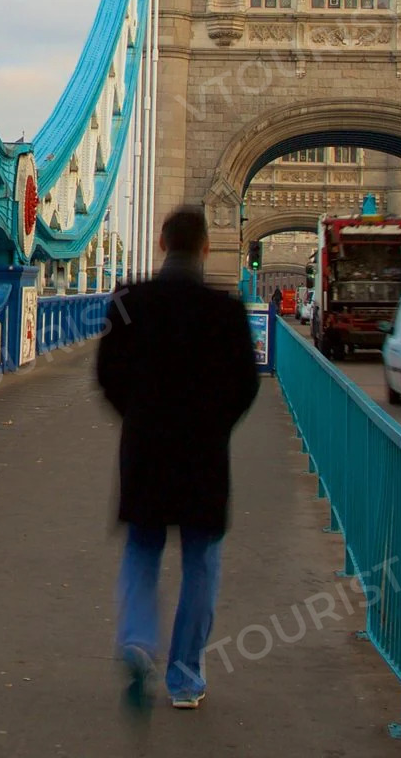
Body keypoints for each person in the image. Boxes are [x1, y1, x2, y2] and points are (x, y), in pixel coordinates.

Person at [96, 207, 260, 712]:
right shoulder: (227, 311)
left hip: (145, 450)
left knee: (142, 548)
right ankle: (185, 679)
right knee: (201, 562)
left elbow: (107, 375)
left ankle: (137, 639)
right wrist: (214, 426)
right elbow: (246, 385)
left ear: (162, 243)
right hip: (203, 456)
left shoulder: (128, 301)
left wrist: (137, 416)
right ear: (206, 248)